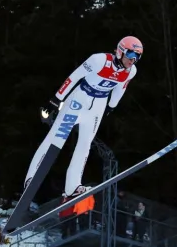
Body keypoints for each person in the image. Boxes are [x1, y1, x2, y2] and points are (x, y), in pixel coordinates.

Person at [23, 36, 143, 199]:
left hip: (98, 105)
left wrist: (111, 106)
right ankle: (32, 178)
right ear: (121, 51)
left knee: (85, 145)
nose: (133, 60)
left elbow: (120, 89)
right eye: (130, 54)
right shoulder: (99, 60)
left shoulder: (131, 71)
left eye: (137, 56)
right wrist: (57, 98)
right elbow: (74, 77)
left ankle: (72, 186)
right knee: (56, 139)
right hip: (79, 99)